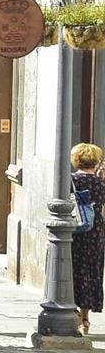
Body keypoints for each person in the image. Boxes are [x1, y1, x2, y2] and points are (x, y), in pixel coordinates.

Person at [74, 144, 104, 336]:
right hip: (95, 233)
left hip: (74, 232)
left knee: (73, 271)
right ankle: (85, 320)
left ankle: (73, 313)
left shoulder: (71, 180)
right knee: (91, 272)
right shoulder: (101, 184)